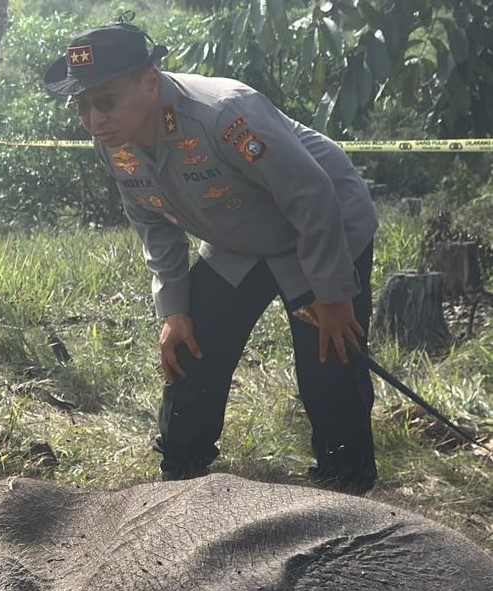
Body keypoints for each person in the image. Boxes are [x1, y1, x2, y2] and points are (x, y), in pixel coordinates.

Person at [44, 21, 379, 495]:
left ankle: (347, 485)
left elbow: (310, 194)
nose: (94, 120)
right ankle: (180, 475)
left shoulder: (224, 113)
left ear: (150, 81)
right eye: (81, 107)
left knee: (330, 356)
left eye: (105, 101)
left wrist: (333, 294)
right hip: (237, 238)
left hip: (321, 229)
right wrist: (174, 309)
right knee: (188, 346)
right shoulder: (115, 142)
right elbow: (153, 224)